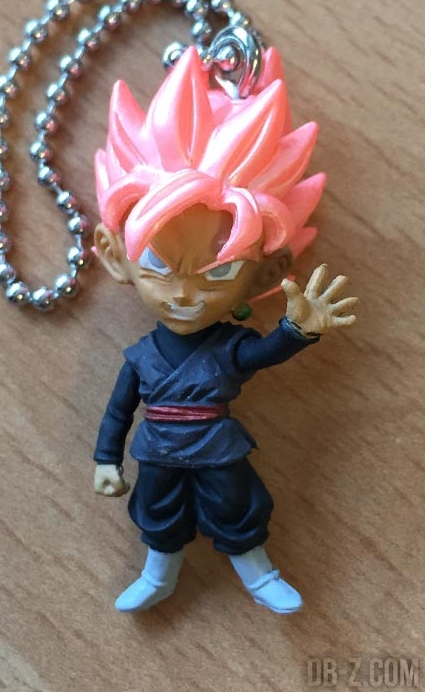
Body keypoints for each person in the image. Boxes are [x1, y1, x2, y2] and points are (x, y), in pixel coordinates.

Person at [92, 46, 357, 613]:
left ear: (267, 272)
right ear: (115, 256)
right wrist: (106, 460)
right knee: (157, 512)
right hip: (159, 448)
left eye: (218, 272)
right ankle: (158, 573)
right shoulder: (141, 356)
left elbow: (259, 356)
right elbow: (118, 411)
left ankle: (259, 574)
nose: (184, 293)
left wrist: (296, 331)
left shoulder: (227, 346)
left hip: (216, 447)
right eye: (159, 267)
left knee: (235, 506)